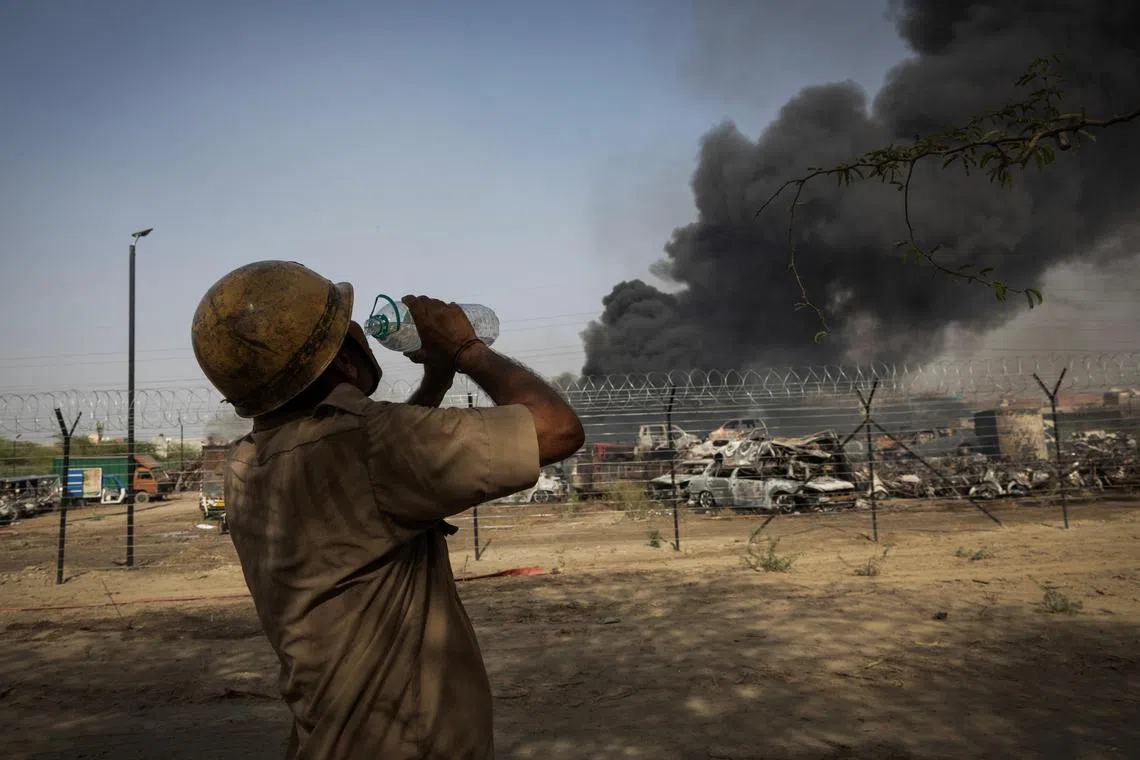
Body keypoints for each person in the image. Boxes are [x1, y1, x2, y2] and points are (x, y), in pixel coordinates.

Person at [190, 260, 585, 759]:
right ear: (342, 358)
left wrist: (436, 380)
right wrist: (467, 348)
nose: (358, 328)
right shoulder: (369, 444)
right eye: (344, 325)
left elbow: (378, 465)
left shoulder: (250, 462)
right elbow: (557, 429)